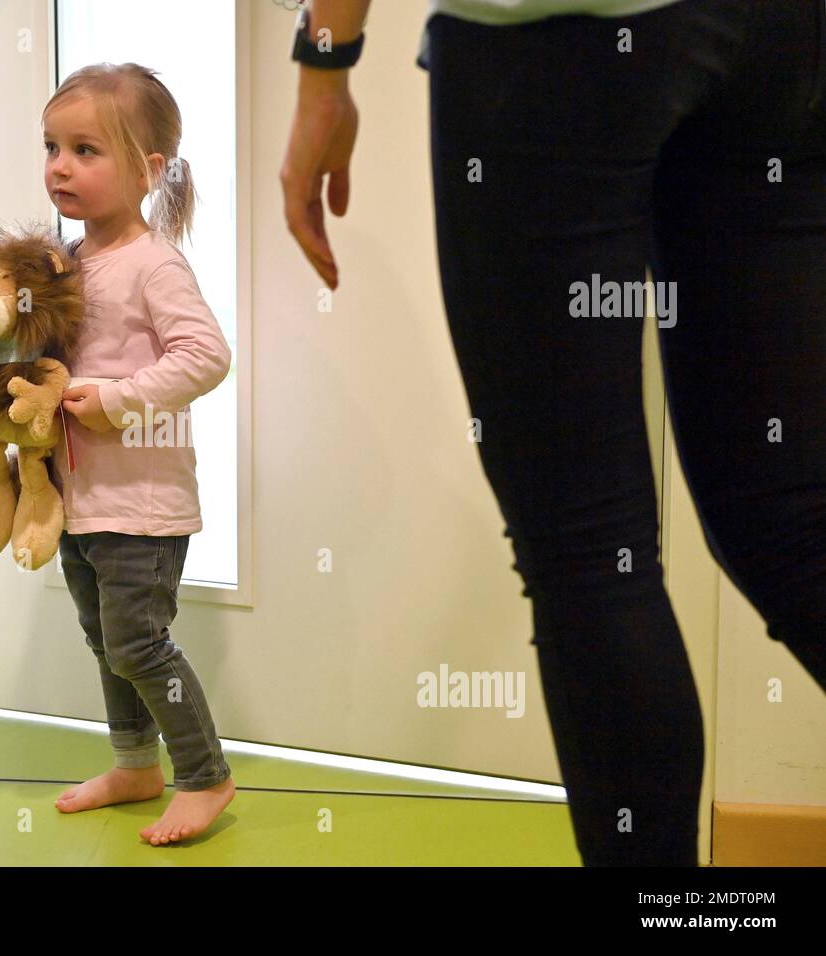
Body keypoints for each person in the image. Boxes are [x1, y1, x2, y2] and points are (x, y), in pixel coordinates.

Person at [281, 0, 826, 866]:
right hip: (778, 32)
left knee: (590, 553)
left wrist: (325, 64)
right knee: (790, 519)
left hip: (554, 34)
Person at [41, 63, 237, 845]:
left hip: (143, 505)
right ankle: (134, 766)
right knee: (106, 642)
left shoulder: (153, 262)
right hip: (79, 497)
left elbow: (206, 356)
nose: (61, 166)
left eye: (85, 150)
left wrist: (118, 400)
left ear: (149, 170)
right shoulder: (67, 261)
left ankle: (205, 775)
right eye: (52, 147)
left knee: (138, 645)